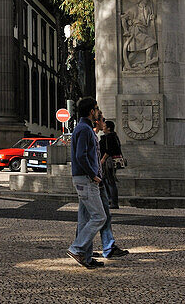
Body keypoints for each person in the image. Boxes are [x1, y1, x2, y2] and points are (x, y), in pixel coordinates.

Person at [66, 97, 108, 269]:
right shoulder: (84, 129)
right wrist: (93, 175)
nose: (99, 112)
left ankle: (86, 257)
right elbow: (81, 156)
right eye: (97, 109)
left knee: (85, 220)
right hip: (86, 179)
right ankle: (77, 248)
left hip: (84, 178)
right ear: (92, 111)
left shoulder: (84, 128)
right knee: (100, 216)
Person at [93, 112, 129, 259]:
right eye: (102, 120)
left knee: (102, 215)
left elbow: (106, 151)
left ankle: (102, 248)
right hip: (93, 177)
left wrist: (101, 161)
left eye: (104, 122)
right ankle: (82, 248)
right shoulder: (97, 135)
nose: (103, 123)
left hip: (102, 167)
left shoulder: (107, 137)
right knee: (98, 216)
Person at [99, 119, 122, 209]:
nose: (103, 128)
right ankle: (110, 199)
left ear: (109, 128)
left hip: (109, 162)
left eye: (104, 126)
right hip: (108, 161)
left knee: (110, 181)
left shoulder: (109, 137)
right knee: (105, 180)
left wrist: (103, 159)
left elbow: (109, 150)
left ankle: (114, 201)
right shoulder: (112, 136)